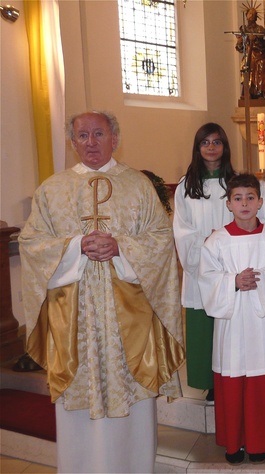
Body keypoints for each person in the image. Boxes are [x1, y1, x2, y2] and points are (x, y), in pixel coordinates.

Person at [18, 111, 185, 473]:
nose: (91, 142)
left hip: (128, 317)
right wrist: (76, 245)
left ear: (115, 138)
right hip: (74, 318)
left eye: (98, 134)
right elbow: (31, 243)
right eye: (82, 135)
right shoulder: (52, 189)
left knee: (131, 399)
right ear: (72, 141)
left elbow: (160, 240)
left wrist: (121, 246)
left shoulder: (138, 185)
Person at [197, 173, 265, 464]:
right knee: (234, 378)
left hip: (264, 321)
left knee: (261, 379)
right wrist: (233, 281)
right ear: (228, 204)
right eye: (238, 198)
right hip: (232, 322)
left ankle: (260, 441)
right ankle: (234, 443)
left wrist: (262, 279)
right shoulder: (217, 241)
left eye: (250, 197)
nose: (245, 203)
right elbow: (207, 279)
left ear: (260, 202)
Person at [173, 123, 236, 402]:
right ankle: (208, 381)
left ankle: (232, 376)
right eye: (205, 142)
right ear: (197, 148)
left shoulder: (236, 182)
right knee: (204, 326)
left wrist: (225, 241)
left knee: (233, 325)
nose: (211, 147)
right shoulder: (186, 187)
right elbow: (182, 229)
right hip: (200, 264)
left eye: (217, 142)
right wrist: (208, 241)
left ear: (225, 146)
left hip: (232, 264)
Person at [235, 5, 265, 100]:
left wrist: (256, 40)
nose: (251, 15)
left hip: (259, 55)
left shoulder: (260, 30)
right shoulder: (243, 30)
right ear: (246, 15)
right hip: (248, 55)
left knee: (260, 67)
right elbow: (240, 48)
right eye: (249, 13)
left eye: (253, 14)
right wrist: (239, 42)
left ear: (256, 17)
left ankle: (260, 93)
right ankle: (247, 92)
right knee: (246, 68)